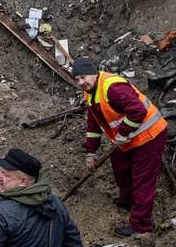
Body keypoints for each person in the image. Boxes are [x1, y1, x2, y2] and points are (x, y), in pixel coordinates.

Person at [72, 56, 170, 237]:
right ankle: (128, 200)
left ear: (94, 73)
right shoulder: (90, 92)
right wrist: (91, 151)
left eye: (83, 77)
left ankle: (141, 227)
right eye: (77, 79)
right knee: (120, 166)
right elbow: (94, 122)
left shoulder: (113, 87)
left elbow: (138, 110)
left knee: (142, 180)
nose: (81, 82)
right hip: (129, 139)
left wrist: (123, 132)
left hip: (150, 136)